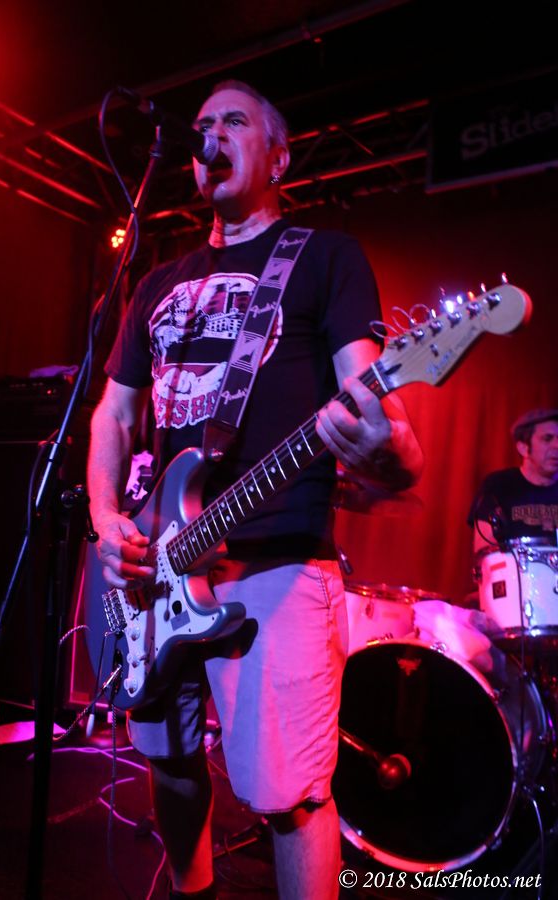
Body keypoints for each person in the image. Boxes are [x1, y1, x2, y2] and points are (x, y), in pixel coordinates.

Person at [88, 80, 423, 900]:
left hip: (275, 561)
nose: (210, 135)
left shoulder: (326, 258)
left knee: (289, 799)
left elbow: (379, 412)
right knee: (169, 764)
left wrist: (388, 445)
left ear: (278, 157)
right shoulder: (156, 281)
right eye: (202, 125)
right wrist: (104, 519)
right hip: (160, 565)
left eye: (233, 121)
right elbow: (113, 416)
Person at [469, 408, 558, 556]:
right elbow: (484, 550)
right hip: (514, 570)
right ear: (523, 448)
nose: (557, 446)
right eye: (547, 439)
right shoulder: (498, 485)